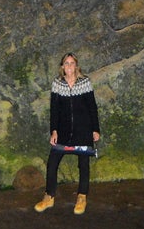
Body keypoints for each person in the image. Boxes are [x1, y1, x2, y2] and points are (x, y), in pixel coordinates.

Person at [34, 52, 101, 215]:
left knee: (83, 164)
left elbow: (92, 107)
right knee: (52, 162)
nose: (69, 66)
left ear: (76, 66)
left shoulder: (85, 82)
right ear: (62, 67)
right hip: (63, 131)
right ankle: (49, 196)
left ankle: (82, 197)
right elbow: (54, 110)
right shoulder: (57, 84)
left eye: (72, 63)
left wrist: (95, 129)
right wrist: (54, 130)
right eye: (66, 63)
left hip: (83, 129)